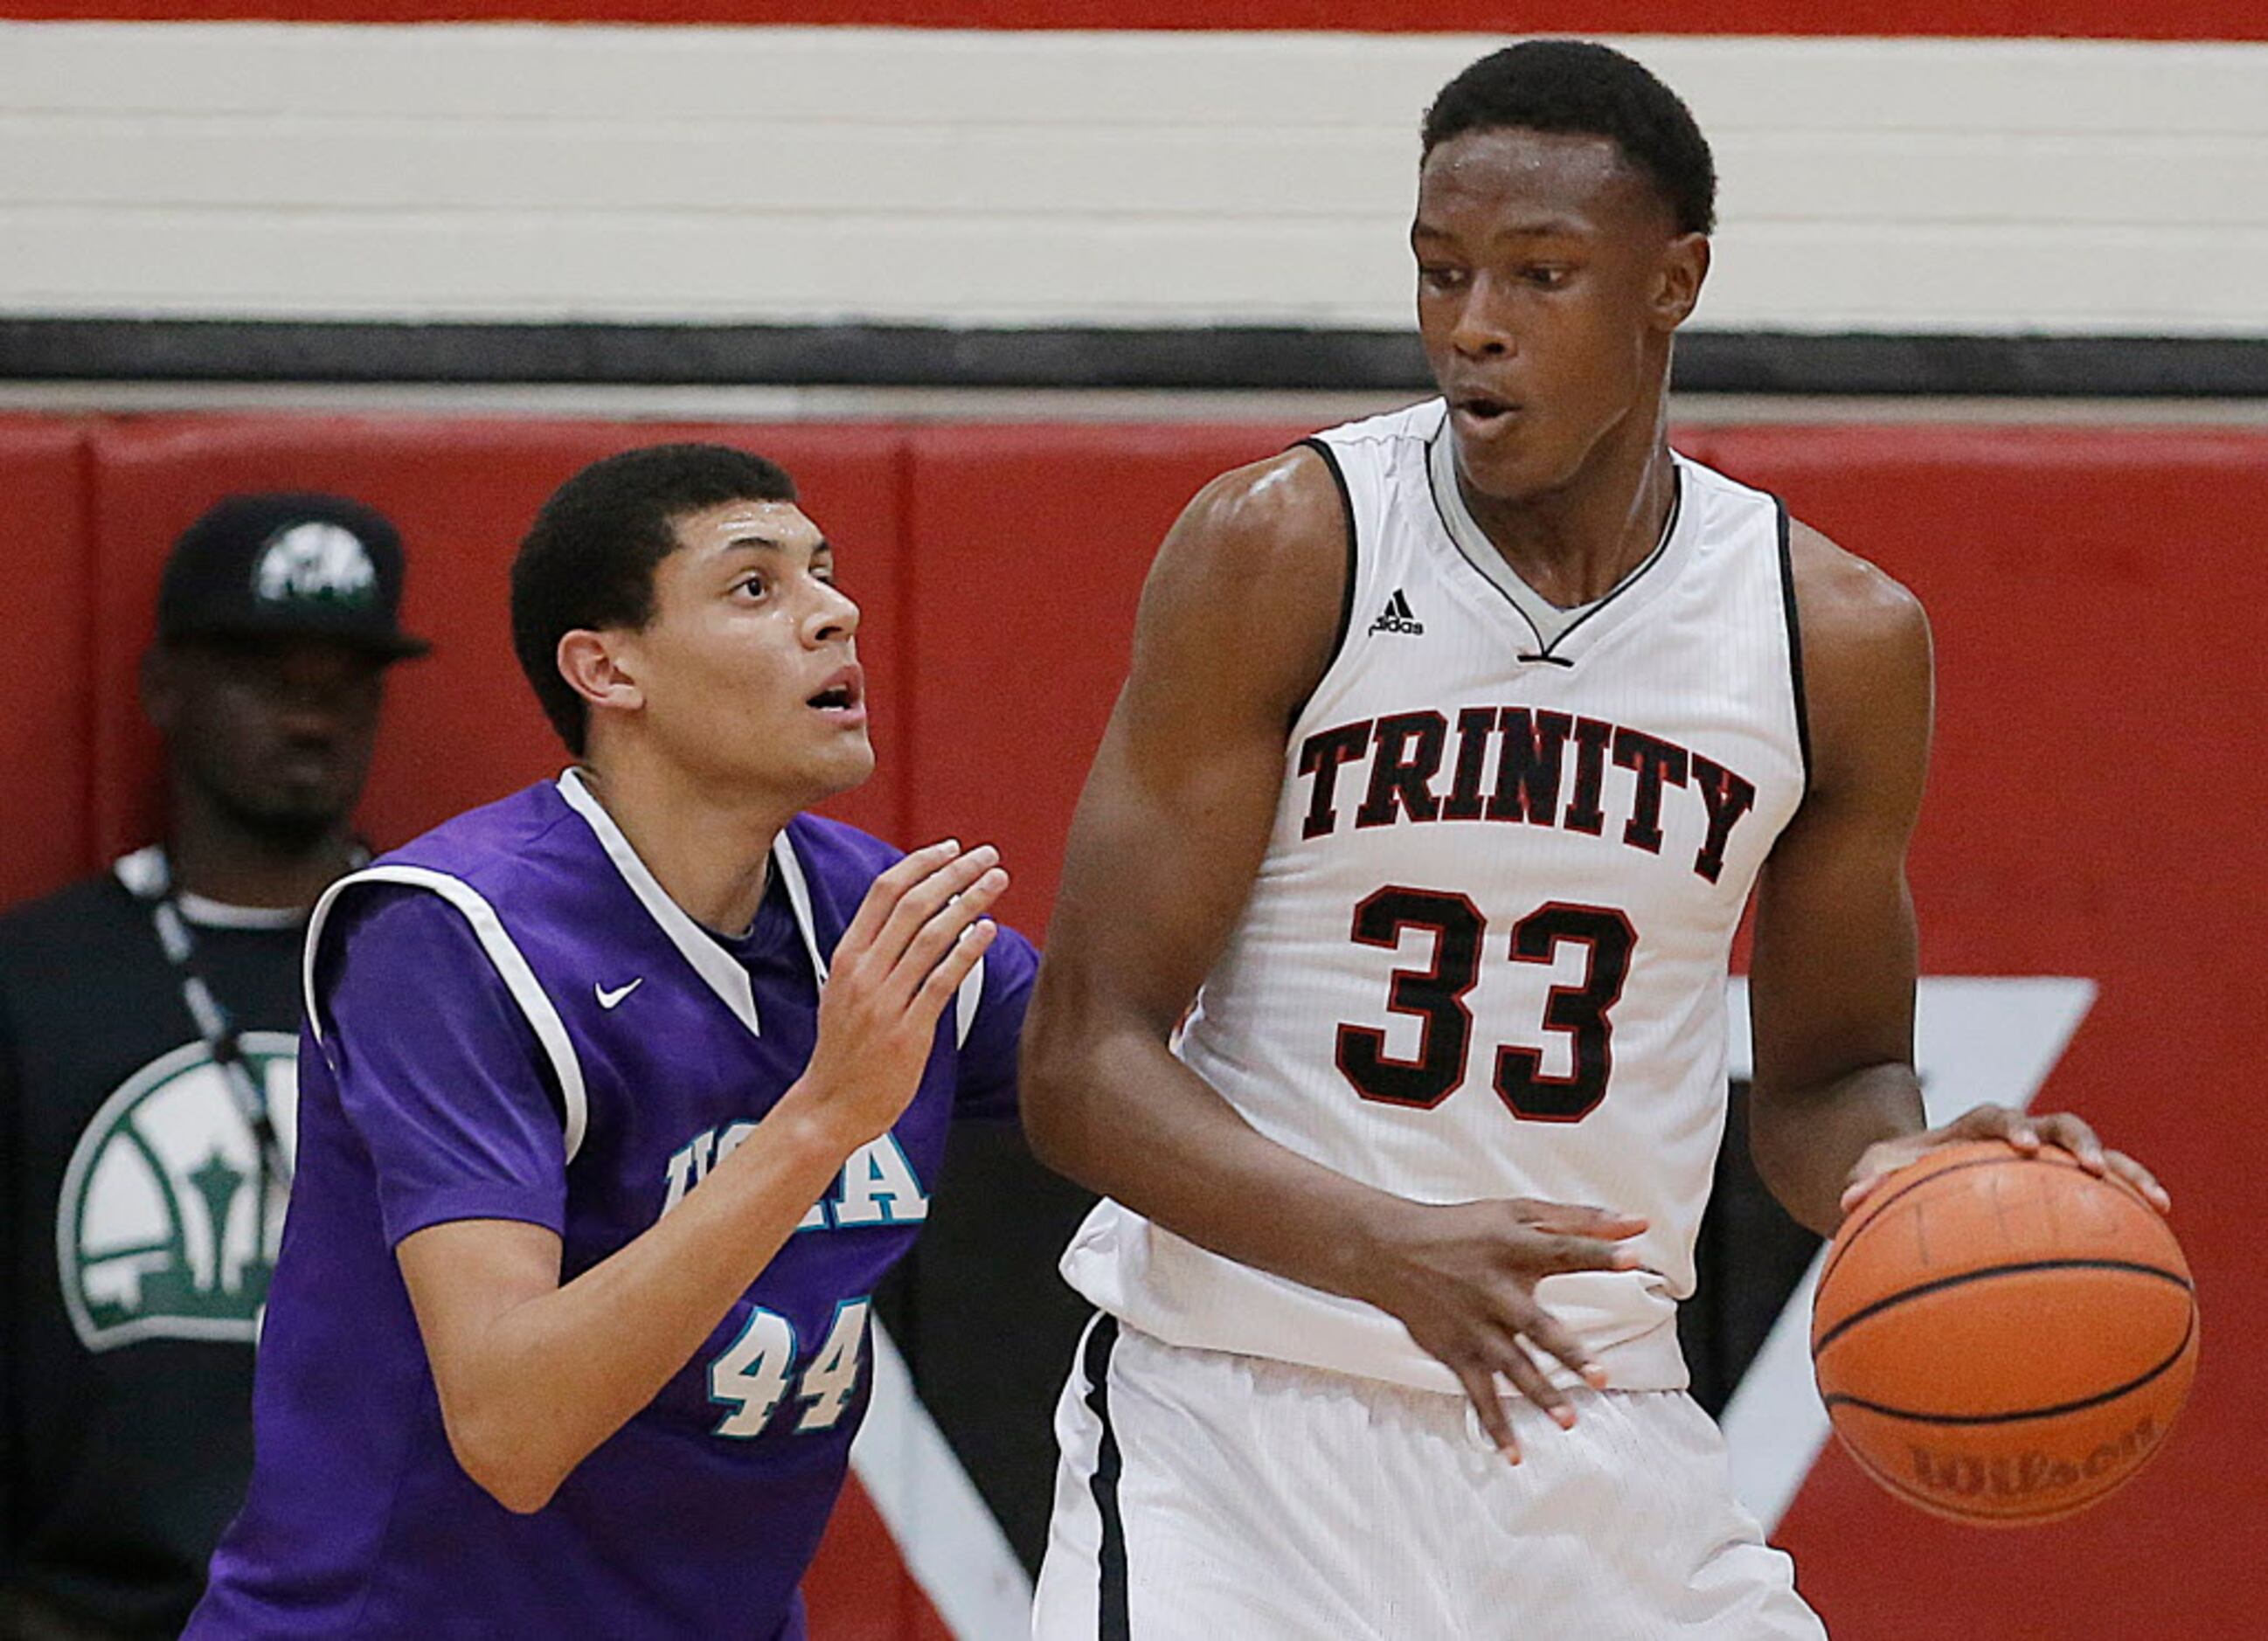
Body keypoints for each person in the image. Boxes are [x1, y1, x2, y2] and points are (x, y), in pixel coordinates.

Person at [1020, 39, 2169, 1638]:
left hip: (1601, 1438)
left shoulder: (1830, 633)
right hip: (1243, 1427)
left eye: (1540, 275)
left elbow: (1830, 1079)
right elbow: (1082, 1063)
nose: (1472, 327)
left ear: (1674, 281)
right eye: (1439, 273)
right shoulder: (1287, 543)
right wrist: (1381, 1247)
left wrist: (1926, 1176)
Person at [184, 443, 1035, 1639]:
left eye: (825, 572)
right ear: (608, 667)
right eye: (756, 586)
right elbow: (511, 1432)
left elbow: (1131, 1082)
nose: (832, 610)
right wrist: (820, 1121)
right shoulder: (448, 936)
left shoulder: (874, 916)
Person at [0, 495, 422, 1640]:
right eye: (264, 669)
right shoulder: (31, 985)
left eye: (346, 677)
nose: (309, 710)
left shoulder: (463, 974)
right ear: (163, 689)